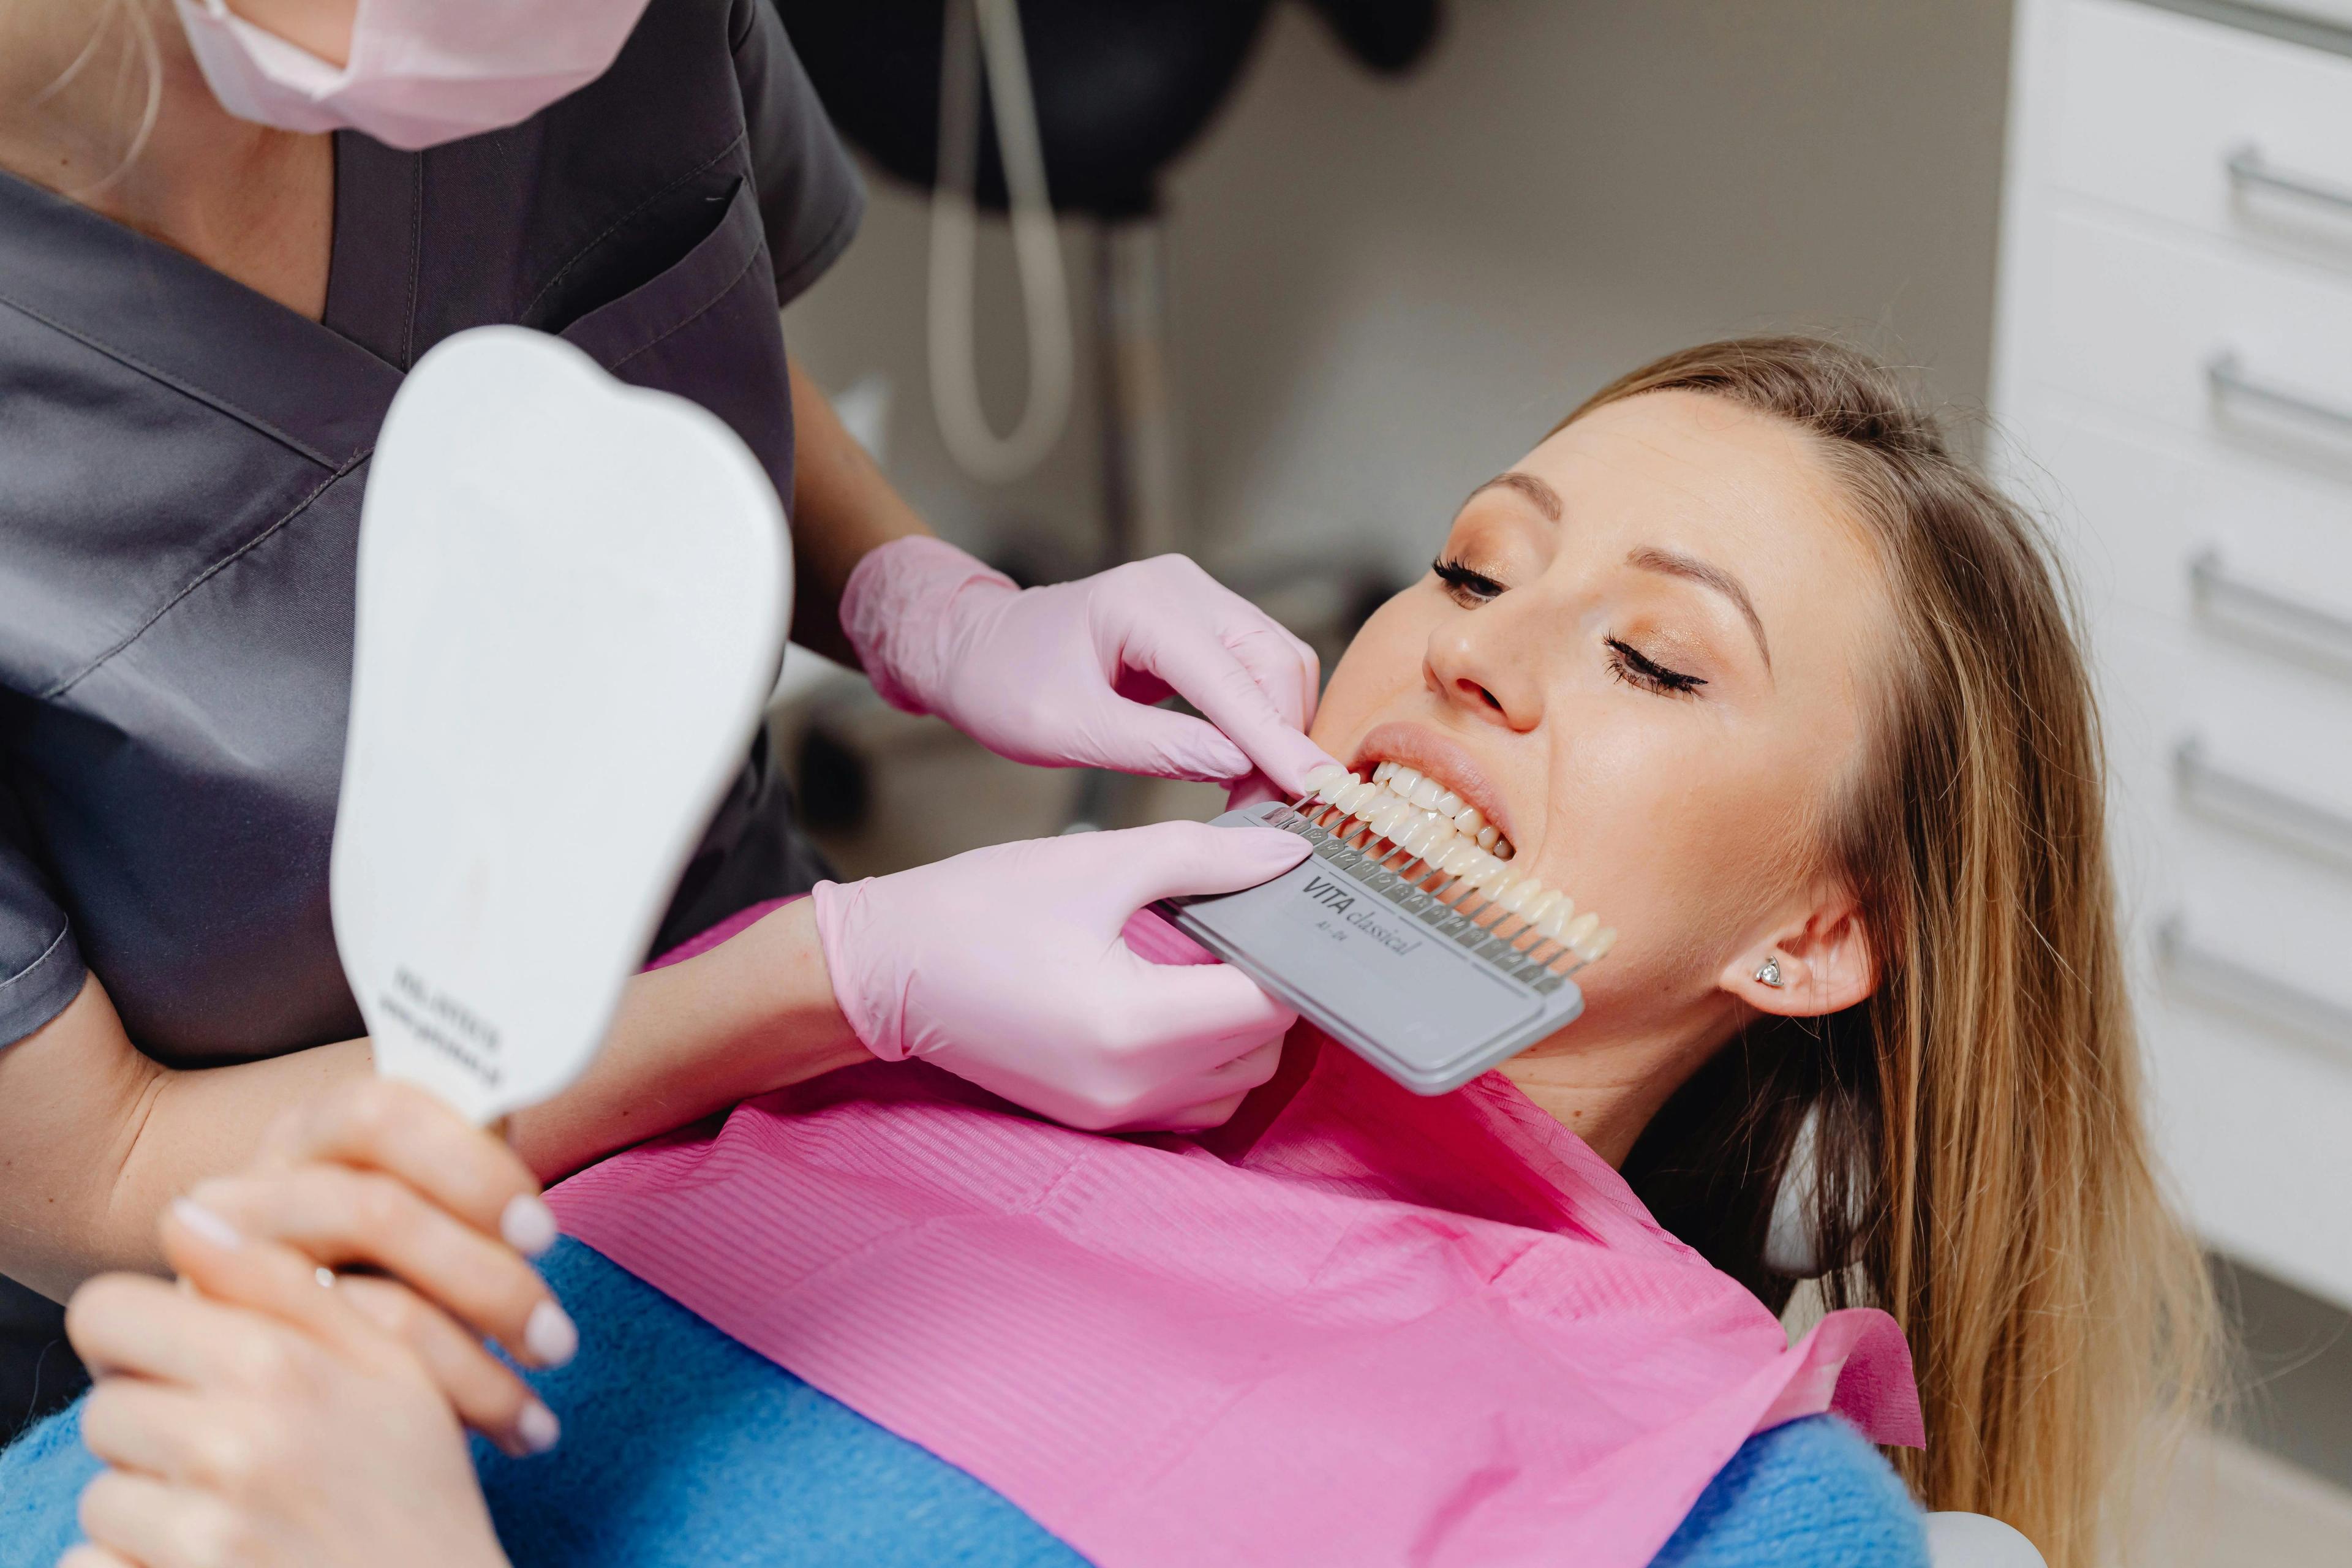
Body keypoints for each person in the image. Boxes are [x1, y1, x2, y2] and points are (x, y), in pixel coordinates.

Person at [1, 339, 2220, 1568]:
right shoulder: (848, 1030)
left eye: (1652, 658)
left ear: (1824, 933)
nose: (1476, 660)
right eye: (1465, 569)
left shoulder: (1740, 1512)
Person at [0, 0, 1341, 1430]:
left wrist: (929, 603)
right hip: (297, 1329)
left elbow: (669, 295)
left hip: (812, 1093)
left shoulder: (583, 28)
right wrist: (838, 978)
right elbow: (108, 1169)